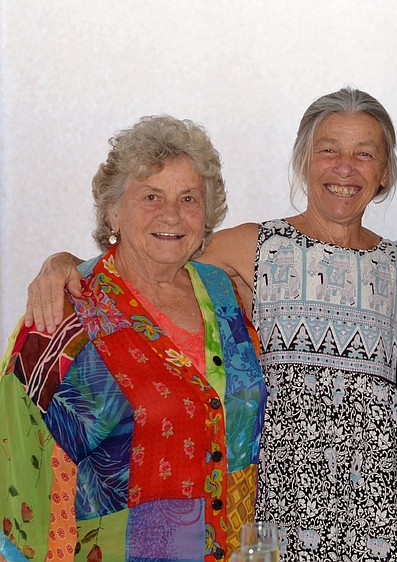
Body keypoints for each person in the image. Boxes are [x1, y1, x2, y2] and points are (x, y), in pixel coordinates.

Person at [23, 87, 397, 561]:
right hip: (281, 506)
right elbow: (146, 258)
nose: (345, 167)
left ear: (384, 172)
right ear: (304, 161)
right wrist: (62, 261)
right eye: (329, 150)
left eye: (365, 154)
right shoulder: (254, 245)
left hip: (382, 508)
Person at [0, 115, 267, 562]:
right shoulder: (65, 312)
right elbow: (18, 479)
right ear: (112, 211)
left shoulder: (222, 293)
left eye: (189, 198)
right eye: (150, 197)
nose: (172, 214)